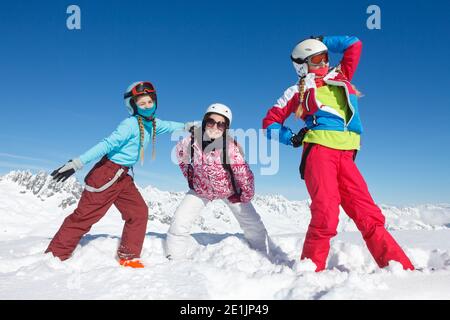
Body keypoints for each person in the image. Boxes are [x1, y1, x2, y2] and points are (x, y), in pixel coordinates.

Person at [262, 36, 415, 272]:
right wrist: (291, 138)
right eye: (317, 59)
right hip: (319, 152)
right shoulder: (296, 91)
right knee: (326, 213)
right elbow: (270, 123)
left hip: (346, 154)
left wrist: (322, 40)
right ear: (302, 65)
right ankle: (309, 272)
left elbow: (355, 44)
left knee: (368, 214)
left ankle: (401, 270)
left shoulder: (340, 76)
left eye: (325, 57)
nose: (324, 63)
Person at [46, 81, 196, 268]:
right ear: (133, 106)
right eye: (142, 103)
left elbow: (169, 125)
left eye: (150, 102)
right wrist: (77, 163)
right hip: (107, 173)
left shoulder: (152, 124)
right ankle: (54, 256)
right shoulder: (129, 125)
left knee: (138, 212)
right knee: (85, 216)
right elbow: (107, 144)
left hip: (123, 176)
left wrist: (188, 126)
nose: (147, 106)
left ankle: (128, 256)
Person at [165, 103, 278, 261]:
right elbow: (181, 156)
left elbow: (244, 174)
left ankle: (263, 255)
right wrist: (191, 179)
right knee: (180, 220)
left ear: (226, 128)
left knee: (252, 223)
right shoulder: (190, 141)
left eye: (221, 124)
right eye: (211, 121)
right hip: (201, 189)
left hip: (229, 191)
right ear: (204, 122)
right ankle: (175, 259)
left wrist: (244, 196)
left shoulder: (230, 148)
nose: (215, 127)